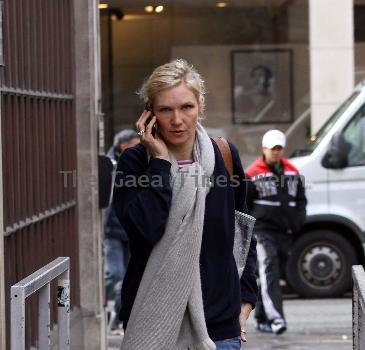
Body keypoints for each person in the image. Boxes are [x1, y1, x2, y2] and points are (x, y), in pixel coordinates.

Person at [113, 59, 258, 349]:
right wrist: (159, 164)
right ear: (150, 114)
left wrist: (246, 300)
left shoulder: (224, 156)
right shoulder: (135, 163)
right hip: (151, 322)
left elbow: (243, 232)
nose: (177, 120)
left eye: (186, 107)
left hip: (219, 328)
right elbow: (145, 230)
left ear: (200, 106)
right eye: (165, 109)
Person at [246, 129, 307, 335]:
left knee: (272, 274)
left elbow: (300, 200)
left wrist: (298, 222)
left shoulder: (293, 171)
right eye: (272, 149)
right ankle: (277, 318)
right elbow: (244, 204)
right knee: (269, 268)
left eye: (279, 148)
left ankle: (262, 317)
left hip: (285, 231)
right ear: (264, 149)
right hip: (262, 231)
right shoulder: (253, 173)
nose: (276, 152)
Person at [104, 129, 139, 331]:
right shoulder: (110, 165)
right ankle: (100, 300)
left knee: (129, 276)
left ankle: (120, 315)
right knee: (116, 274)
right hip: (112, 230)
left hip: (131, 230)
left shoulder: (141, 163)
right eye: (134, 145)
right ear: (123, 146)